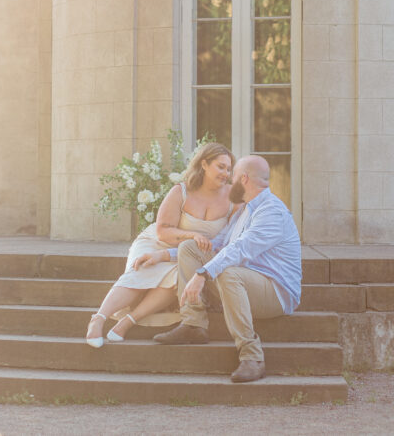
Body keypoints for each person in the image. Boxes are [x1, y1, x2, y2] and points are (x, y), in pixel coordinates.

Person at [152, 155, 301, 383]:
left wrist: (203, 274)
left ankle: (252, 356)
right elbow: (219, 245)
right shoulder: (244, 211)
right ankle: (194, 324)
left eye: (233, 177)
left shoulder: (271, 211)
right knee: (190, 248)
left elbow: (241, 249)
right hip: (245, 281)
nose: (228, 182)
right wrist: (164, 254)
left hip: (275, 292)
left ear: (244, 179)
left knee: (228, 273)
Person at [84, 142, 235, 347]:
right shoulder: (181, 191)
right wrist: (191, 235)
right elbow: (163, 231)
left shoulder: (234, 197)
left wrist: (187, 246)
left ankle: (127, 322)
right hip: (158, 243)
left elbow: (228, 239)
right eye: (220, 166)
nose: (226, 173)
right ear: (204, 164)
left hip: (190, 253)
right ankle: (98, 319)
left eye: (228, 168)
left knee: (176, 276)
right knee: (143, 267)